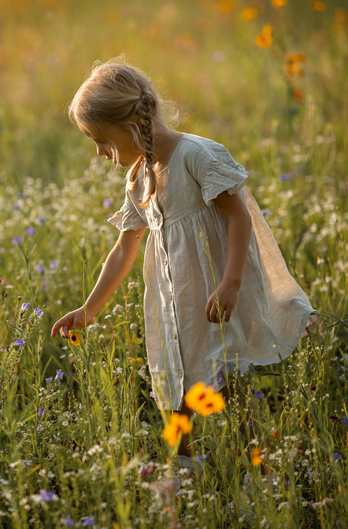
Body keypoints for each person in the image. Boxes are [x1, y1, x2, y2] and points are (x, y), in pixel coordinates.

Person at [51, 57, 318, 480]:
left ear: (131, 124)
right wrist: (89, 308)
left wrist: (230, 282)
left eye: (101, 140)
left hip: (213, 294)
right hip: (171, 301)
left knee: (224, 385)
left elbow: (239, 216)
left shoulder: (196, 155)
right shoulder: (139, 176)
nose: (99, 153)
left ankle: (260, 470)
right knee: (173, 385)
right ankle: (185, 468)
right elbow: (125, 247)